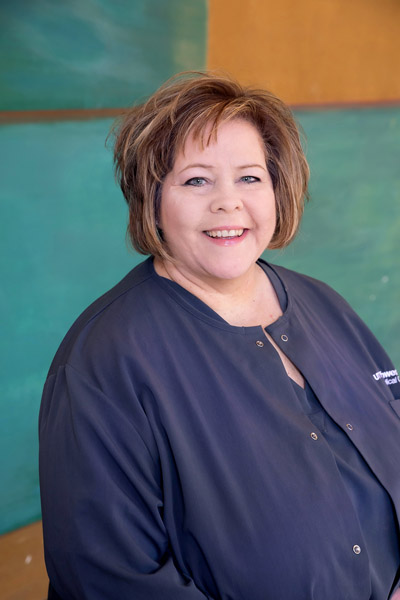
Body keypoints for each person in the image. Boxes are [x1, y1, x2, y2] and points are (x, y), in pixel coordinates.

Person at [39, 72, 400, 600]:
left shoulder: (325, 303)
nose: (227, 203)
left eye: (250, 178)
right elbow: (106, 578)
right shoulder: (105, 360)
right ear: (152, 199)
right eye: (196, 180)